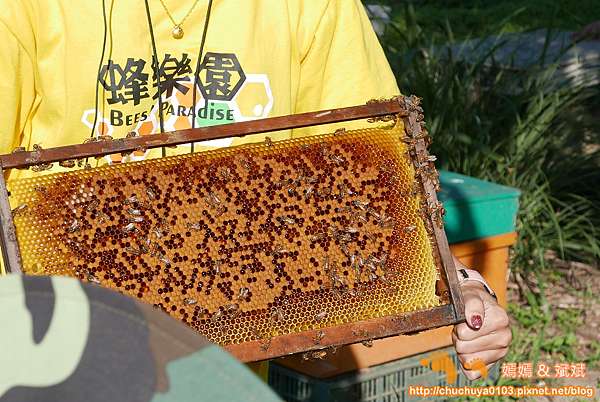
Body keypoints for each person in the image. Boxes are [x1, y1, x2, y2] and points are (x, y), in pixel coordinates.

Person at [0, 0, 510, 381]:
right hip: (55, 365)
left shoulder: (313, 7)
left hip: (225, 376)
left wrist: (457, 285)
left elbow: (367, 195)